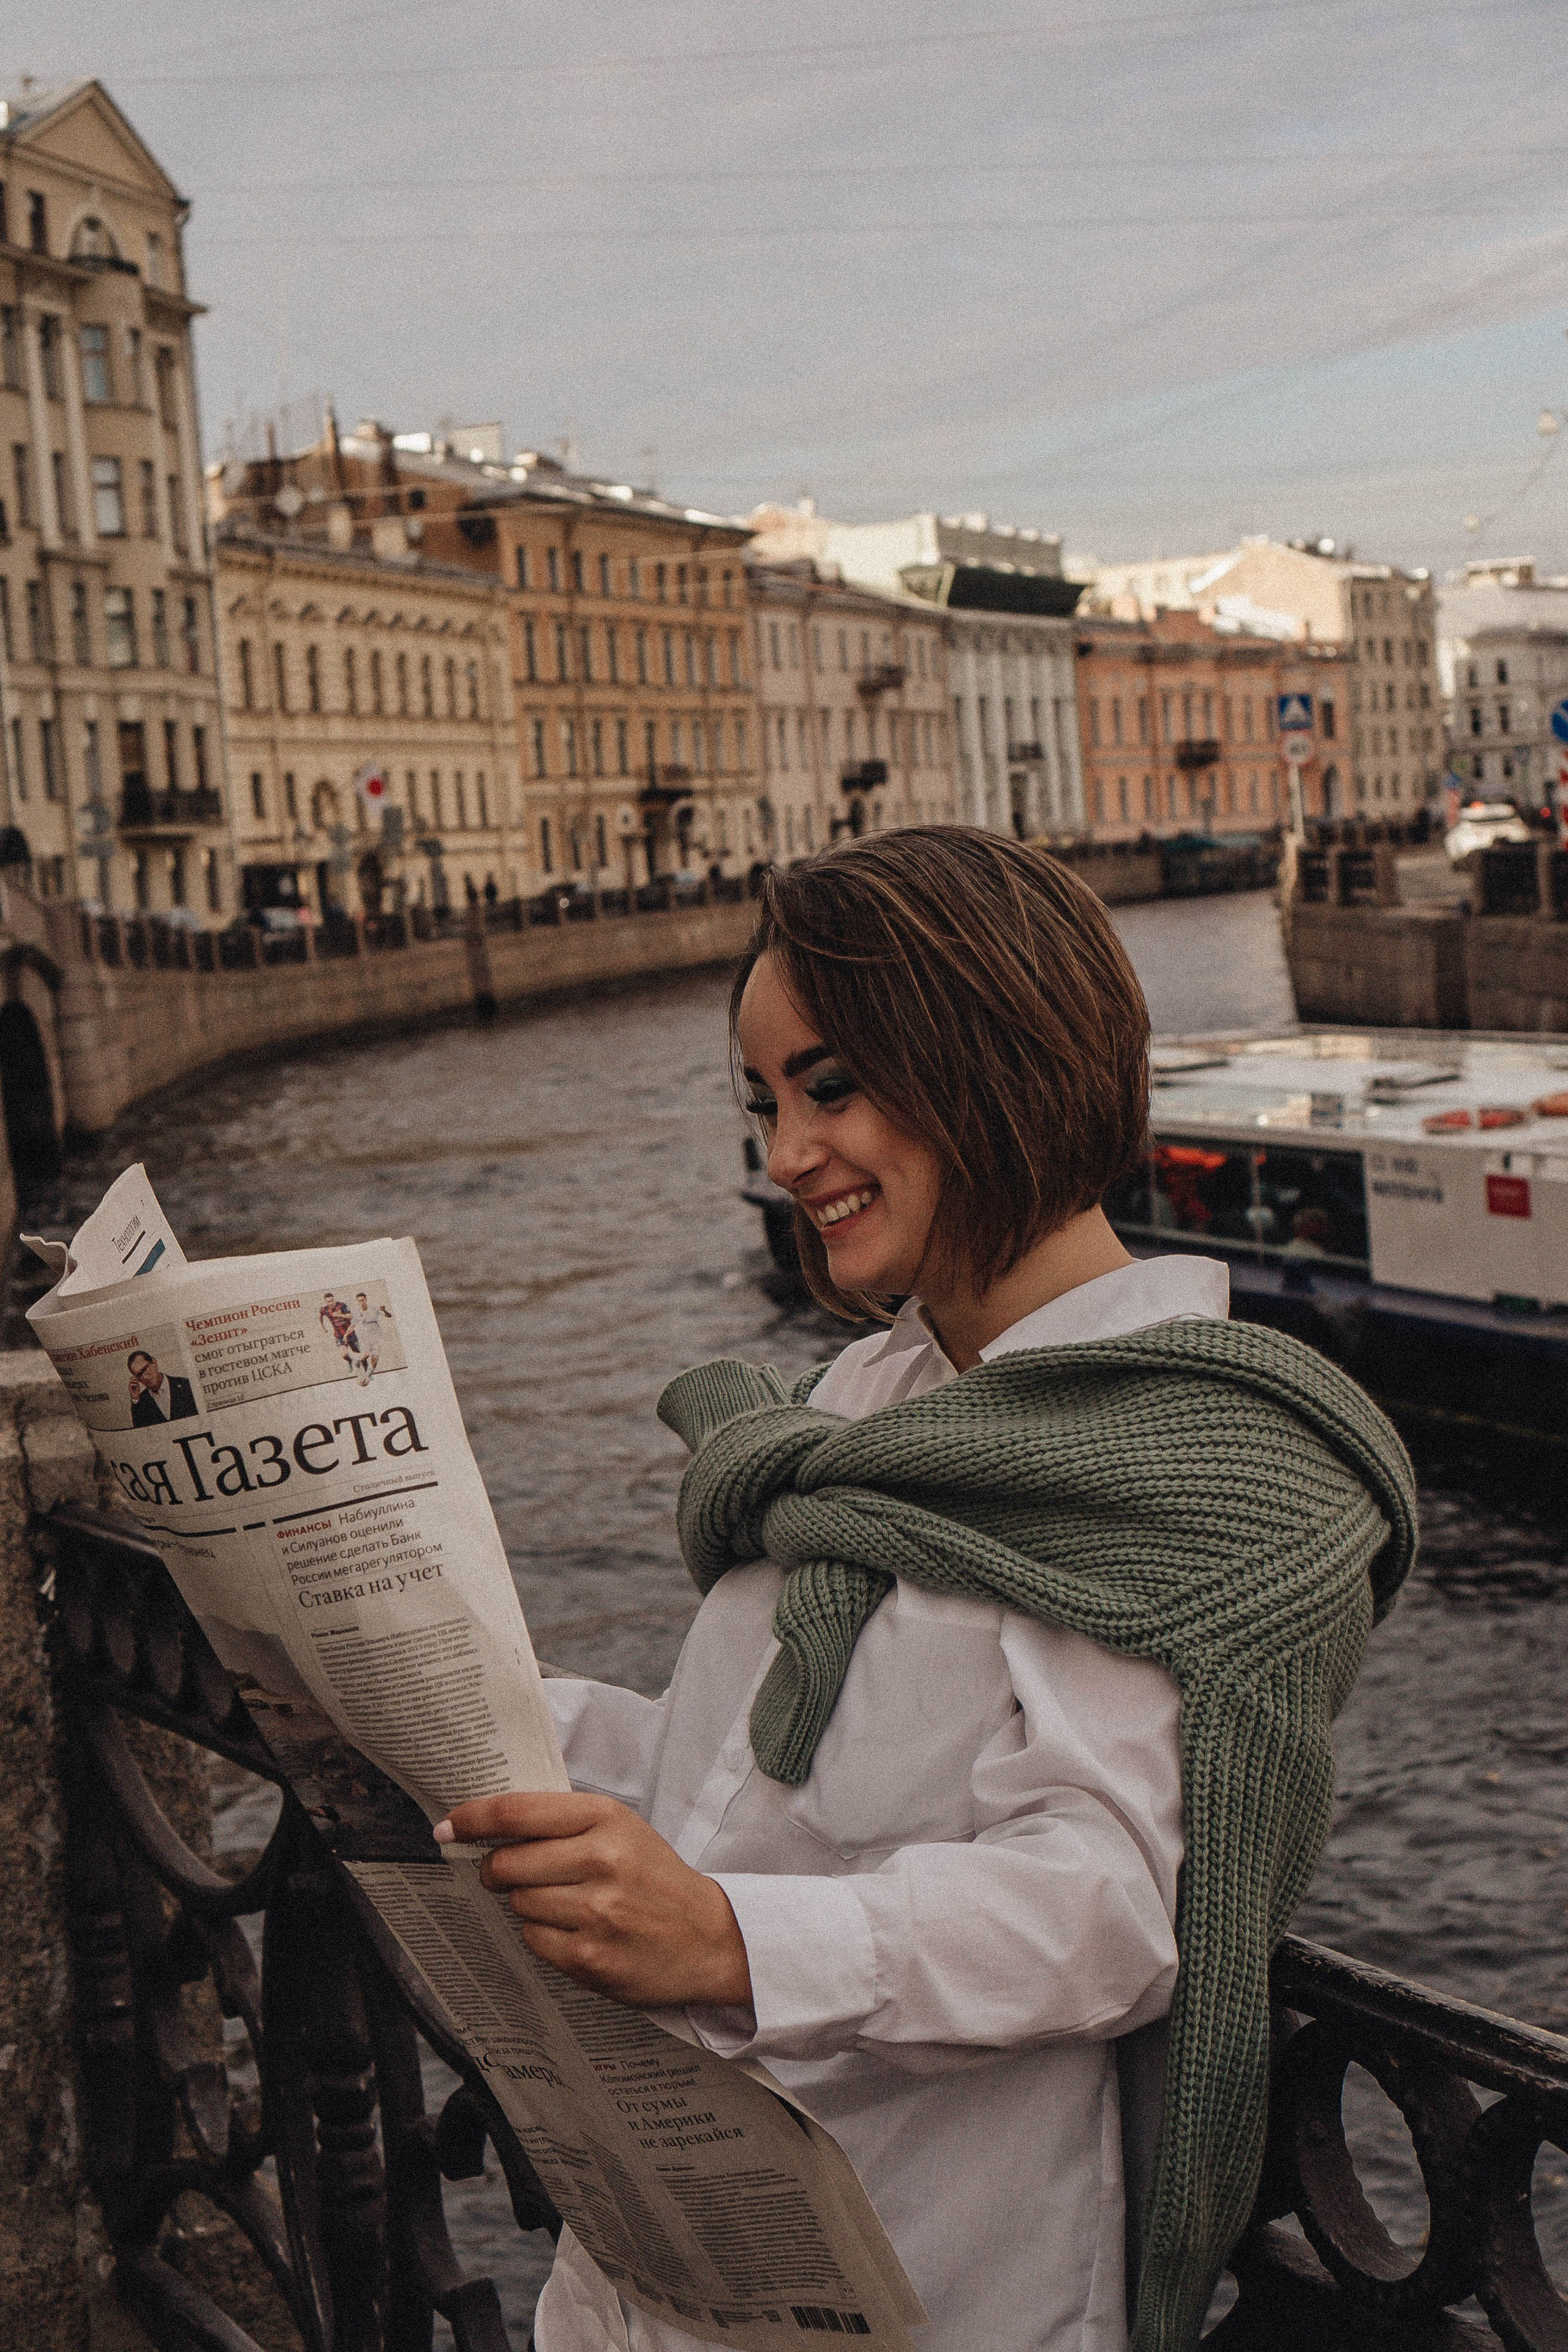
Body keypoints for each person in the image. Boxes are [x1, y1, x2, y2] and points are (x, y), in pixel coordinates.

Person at [439, 829, 1417, 2352]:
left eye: (830, 1087)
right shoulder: (861, 1403)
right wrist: (453, 1710)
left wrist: (730, 1943)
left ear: (990, 1060)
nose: (784, 1153)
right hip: (656, 2270)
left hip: (922, 2281)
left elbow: (1109, 1905)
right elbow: (743, 1786)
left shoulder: (1161, 1457)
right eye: (765, 1102)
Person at [127, 1348, 197, 1425]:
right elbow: (141, 1429)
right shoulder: (141, 1401)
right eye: (139, 1375)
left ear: (154, 1362)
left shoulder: (186, 1384)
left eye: (145, 1369)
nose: (145, 1377)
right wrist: (135, 1399)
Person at [352, 1290, 387, 1385]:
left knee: (374, 1362)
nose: (361, 1302)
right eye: (359, 1301)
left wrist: (384, 1311)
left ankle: (365, 1378)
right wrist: (346, 1335)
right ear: (357, 1302)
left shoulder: (374, 1309)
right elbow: (353, 1324)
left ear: (366, 1300)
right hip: (366, 1339)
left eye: (363, 1300)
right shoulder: (357, 1313)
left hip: (377, 1338)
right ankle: (358, 1365)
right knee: (364, 1356)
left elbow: (389, 1316)